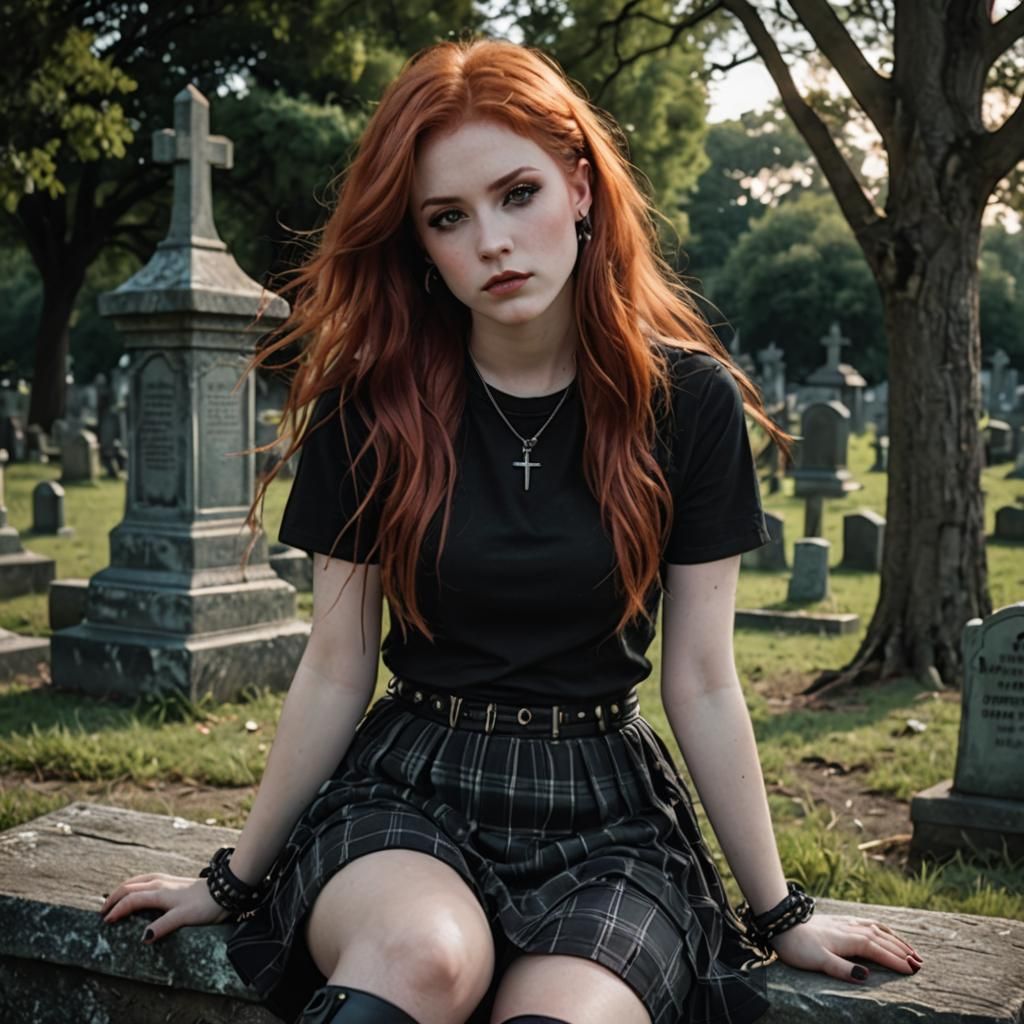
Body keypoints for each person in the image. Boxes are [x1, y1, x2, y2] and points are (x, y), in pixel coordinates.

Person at [99, 37, 923, 1024]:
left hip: (606, 811)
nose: (490, 239)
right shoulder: (372, 406)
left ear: (579, 187)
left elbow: (702, 677)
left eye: (517, 193)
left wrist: (780, 909)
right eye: (449, 217)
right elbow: (334, 662)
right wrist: (233, 877)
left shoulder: (687, 403)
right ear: (420, 246)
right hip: (410, 786)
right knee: (423, 961)